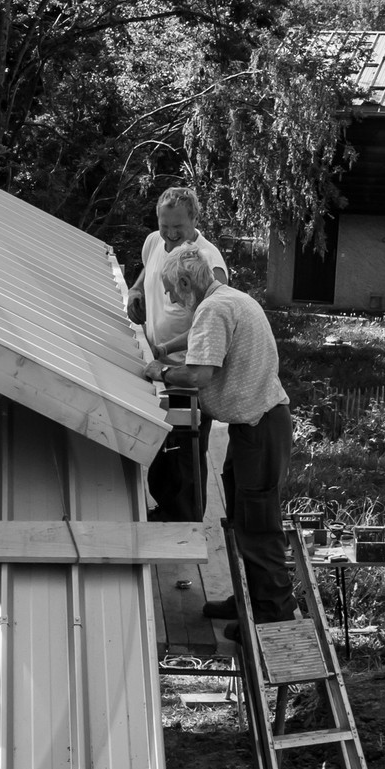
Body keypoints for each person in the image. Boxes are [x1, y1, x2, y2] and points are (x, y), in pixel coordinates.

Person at [142, 245, 296, 638]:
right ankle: (248, 599)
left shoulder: (213, 309)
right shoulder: (229, 299)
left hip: (260, 428)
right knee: (242, 519)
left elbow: (198, 376)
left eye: (171, 290)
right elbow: (200, 341)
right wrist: (167, 351)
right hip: (257, 426)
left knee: (258, 526)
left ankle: (272, 617)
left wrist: (161, 371)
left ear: (185, 282)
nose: (171, 298)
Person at [125, 187, 228, 522]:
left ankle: (186, 522)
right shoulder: (154, 241)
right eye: (164, 226)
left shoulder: (207, 262)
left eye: (178, 228)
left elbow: (209, 321)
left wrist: (171, 353)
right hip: (158, 365)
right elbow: (149, 269)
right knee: (162, 447)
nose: (169, 235)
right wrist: (136, 289)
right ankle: (167, 511)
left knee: (185, 451)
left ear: (195, 220)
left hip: (189, 371)